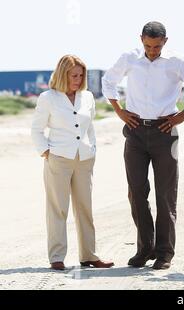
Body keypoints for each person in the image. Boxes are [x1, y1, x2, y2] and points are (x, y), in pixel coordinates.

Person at [102, 21, 184, 270]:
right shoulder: (130, 58)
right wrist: (119, 110)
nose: (152, 50)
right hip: (135, 131)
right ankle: (144, 249)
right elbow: (108, 81)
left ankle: (164, 253)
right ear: (141, 39)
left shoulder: (177, 61)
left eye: (157, 46)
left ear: (166, 41)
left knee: (165, 194)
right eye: (148, 45)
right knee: (136, 192)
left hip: (165, 131)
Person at [31, 55, 114, 271]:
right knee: (58, 209)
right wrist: (46, 152)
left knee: (85, 208)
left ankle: (89, 255)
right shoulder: (47, 97)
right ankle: (57, 257)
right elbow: (36, 130)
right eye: (74, 75)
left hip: (84, 159)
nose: (78, 79)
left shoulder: (87, 97)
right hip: (58, 158)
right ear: (62, 74)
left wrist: (92, 148)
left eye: (81, 75)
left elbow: (90, 128)